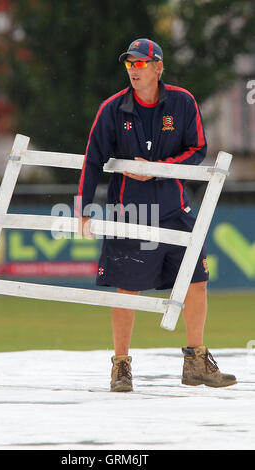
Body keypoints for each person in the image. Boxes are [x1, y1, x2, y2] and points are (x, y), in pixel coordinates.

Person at [76, 38, 236, 392]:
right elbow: (92, 159)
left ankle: (196, 361)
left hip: (174, 208)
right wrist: (83, 207)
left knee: (196, 280)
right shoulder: (112, 109)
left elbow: (198, 150)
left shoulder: (182, 101)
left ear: (158, 66)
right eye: (129, 64)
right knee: (126, 289)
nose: (134, 70)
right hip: (129, 211)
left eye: (141, 63)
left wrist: (158, 169)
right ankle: (121, 366)